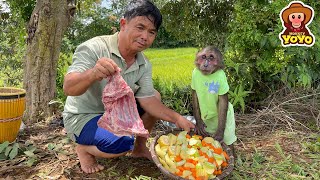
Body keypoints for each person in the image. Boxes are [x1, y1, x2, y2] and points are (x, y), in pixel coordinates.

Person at [62, 0, 195, 174]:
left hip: (115, 113)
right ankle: (84, 149)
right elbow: (69, 88)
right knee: (123, 143)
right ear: (123, 24)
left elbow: (148, 100)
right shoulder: (93, 47)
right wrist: (93, 73)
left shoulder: (143, 63)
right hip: (84, 117)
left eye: (151, 32)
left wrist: (177, 118)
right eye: (140, 28)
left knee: (155, 95)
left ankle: (139, 148)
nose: (145, 37)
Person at [191, 46, 237, 154]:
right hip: (206, 114)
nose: (206, 64)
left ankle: (232, 160)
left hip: (222, 115)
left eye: (211, 58)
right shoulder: (195, 73)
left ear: (218, 63)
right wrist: (198, 121)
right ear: (198, 59)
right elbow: (195, 97)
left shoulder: (220, 75)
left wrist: (221, 130)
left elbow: (223, 103)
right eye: (203, 57)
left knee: (226, 141)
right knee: (208, 142)